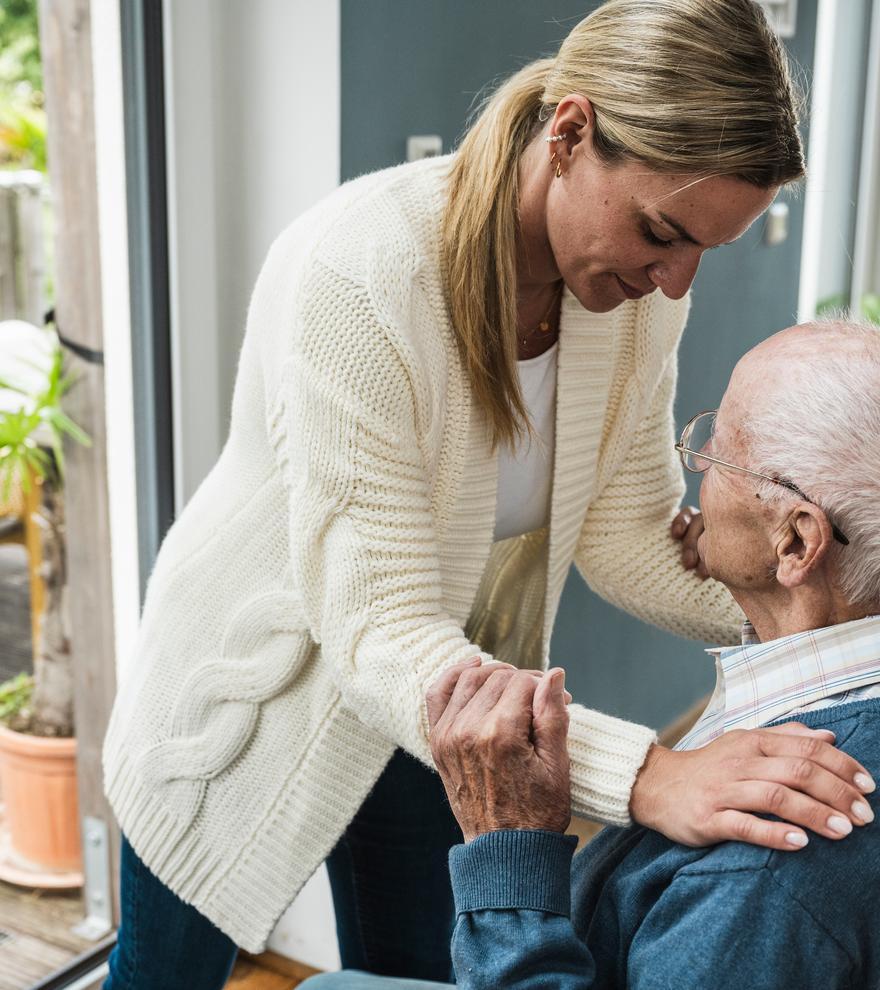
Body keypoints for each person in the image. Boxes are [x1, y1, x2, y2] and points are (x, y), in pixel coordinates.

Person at [102, 2, 872, 987]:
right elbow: (378, 629)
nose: (675, 283)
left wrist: (834, 611)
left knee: (430, 969)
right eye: (660, 233)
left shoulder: (626, 299)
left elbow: (626, 535)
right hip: (259, 690)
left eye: (701, 252)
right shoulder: (359, 271)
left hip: (447, 698)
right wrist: (650, 777)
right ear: (570, 134)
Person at [300, 318, 880, 990]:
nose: (695, 466)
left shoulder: (769, 871)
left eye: (719, 454)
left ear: (794, 544)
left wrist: (509, 848)